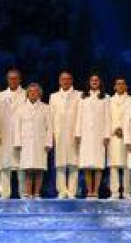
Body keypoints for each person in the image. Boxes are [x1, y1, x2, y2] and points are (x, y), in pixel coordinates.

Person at [15, 82, 53, 199]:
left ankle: (36, 193)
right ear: (27, 94)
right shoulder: (20, 108)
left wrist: (48, 142)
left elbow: (50, 127)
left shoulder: (45, 108)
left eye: (35, 92)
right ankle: (28, 192)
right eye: (30, 92)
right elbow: (17, 126)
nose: (33, 94)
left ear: (39, 94)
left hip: (40, 142)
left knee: (39, 168)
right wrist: (17, 142)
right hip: (26, 142)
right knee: (28, 169)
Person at [77, 73, 111, 198]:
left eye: (97, 80)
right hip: (86, 134)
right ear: (89, 82)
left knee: (97, 164)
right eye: (92, 80)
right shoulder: (82, 97)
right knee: (86, 164)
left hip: (99, 134)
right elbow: (79, 116)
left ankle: (95, 191)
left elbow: (108, 117)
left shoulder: (106, 97)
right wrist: (77, 133)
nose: (95, 81)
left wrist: (107, 134)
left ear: (100, 82)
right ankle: (89, 190)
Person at [0, 68, 25, 199]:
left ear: (19, 79)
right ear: (7, 80)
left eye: (15, 78)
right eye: (10, 78)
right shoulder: (0, 96)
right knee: (4, 166)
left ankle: (23, 194)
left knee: (21, 167)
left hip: (21, 134)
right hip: (4, 134)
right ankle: (4, 194)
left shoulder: (26, 94)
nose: (13, 81)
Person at [50, 70, 81, 198]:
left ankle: (72, 191)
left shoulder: (79, 95)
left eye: (68, 79)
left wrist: (79, 132)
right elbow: (51, 116)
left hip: (74, 132)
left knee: (74, 163)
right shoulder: (54, 96)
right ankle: (62, 191)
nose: (65, 81)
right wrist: (51, 134)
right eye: (63, 79)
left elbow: (80, 115)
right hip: (59, 132)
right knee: (60, 163)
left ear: (72, 81)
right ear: (59, 81)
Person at [107, 77, 131, 199]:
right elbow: (106, 118)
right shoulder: (109, 101)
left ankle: (127, 192)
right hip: (113, 136)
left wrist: (124, 130)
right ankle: (114, 192)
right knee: (113, 165)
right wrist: (114, 129)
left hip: (127, 136)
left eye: (123, 84)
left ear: (126, 86)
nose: (120, 86)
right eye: (118, 84)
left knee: (128, 165)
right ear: (114, 87)